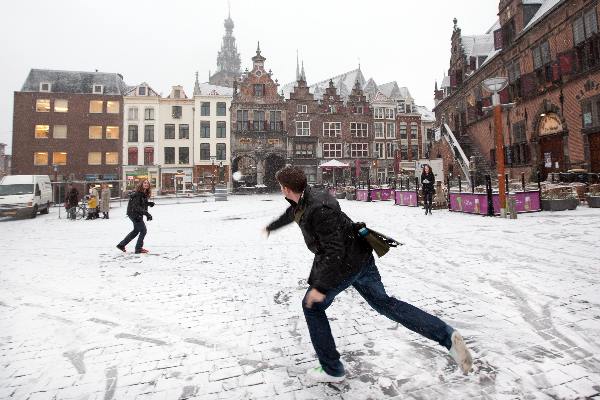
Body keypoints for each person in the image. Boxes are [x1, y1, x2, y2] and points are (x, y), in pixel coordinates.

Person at [265, 166, 472, 383]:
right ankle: (446, 336)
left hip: (346, 264)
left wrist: (320, 287)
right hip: (361, 259)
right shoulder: (311, 196)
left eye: (281, 187)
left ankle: (332, 369)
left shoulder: (318, 209)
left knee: (312, 306)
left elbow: (334, 252)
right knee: (385, 304)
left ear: (286, 189)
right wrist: (273, 226)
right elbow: (294, 212)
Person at [116, 180, 154, 254]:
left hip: (135, 213)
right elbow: (136, 207)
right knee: (143, 230)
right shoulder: (138, 194)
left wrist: (148, 203)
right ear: (141, 184)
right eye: (144, 183)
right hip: (135, 214)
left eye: (147, 183)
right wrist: (147, 214)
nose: (146, 184)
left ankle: (121, 245)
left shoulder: (143, 193)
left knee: (136, 231)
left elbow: (141, 203)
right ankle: (138, 248)